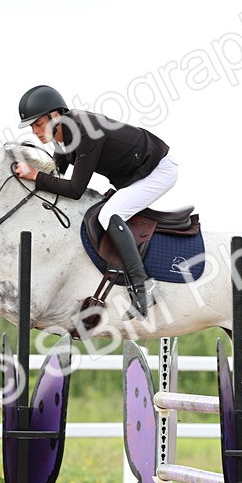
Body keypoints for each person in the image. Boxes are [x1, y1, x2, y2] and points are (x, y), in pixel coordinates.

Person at [12, 84, 176, 319]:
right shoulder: (61, 136)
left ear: (55, 116)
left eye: (38, 124)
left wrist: (36, 176)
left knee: (108, 215)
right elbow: (58, 175)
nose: (34, 131)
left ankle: (144, 287)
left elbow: (75, 189)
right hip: (136, 173)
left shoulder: (83, 132)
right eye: (31, 126)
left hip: (158, 170)